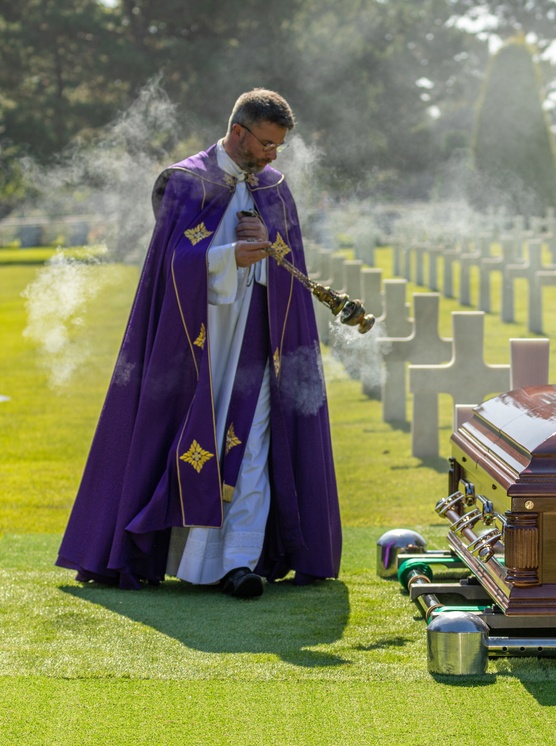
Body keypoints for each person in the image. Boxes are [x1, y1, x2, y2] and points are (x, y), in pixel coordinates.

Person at [57, 88, 341, 598]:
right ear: (238, 132)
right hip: (193, 347)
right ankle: (189, 559)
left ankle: (237, 561)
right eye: (267, 143)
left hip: (255, 340)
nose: (274, 155)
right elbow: (169, 266)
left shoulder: (273, 188)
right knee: (194, 446)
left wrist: (266, 249)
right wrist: (230, 255)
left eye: (280, 146)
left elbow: (287, 266)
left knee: (254, 446)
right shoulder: (185, 182)